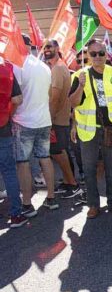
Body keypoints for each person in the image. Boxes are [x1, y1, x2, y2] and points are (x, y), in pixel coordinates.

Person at [69, 38, 112, 219]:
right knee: (89, 169)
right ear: (87, 55)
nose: (97, 57)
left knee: (111, 168)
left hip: (111, 129)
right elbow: (73, 103)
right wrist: (80, 85)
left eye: (101, 53)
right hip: (88, 130)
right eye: (93, 54)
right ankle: (93, 205)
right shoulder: (80, 75)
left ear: (106, 54)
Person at [13, 34, 59, 216]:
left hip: (24, 121)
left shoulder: (18, 66)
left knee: (23, 163)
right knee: (44, 158)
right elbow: (47, 94)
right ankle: (51, 198)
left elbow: (16, 98)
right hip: (43, 120)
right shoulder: (43, 66)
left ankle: (26, 203)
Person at [44, 39, 81, 198]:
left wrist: (49, 120)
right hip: (60, 117)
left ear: (57, 48)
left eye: (49, 47)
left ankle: (73, 184)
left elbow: (56, 97)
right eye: (44, 47)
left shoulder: (58, 68)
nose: (46, 50)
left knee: (58, 151)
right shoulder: (57, 67)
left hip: (57, 119)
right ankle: (68, 182)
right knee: (59, 151)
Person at [0, 58, 28, 227]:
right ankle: (16, 214)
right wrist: (8, 113)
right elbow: (17, 99)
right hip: (3, 127)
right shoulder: (6, 70)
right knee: (9, 171)